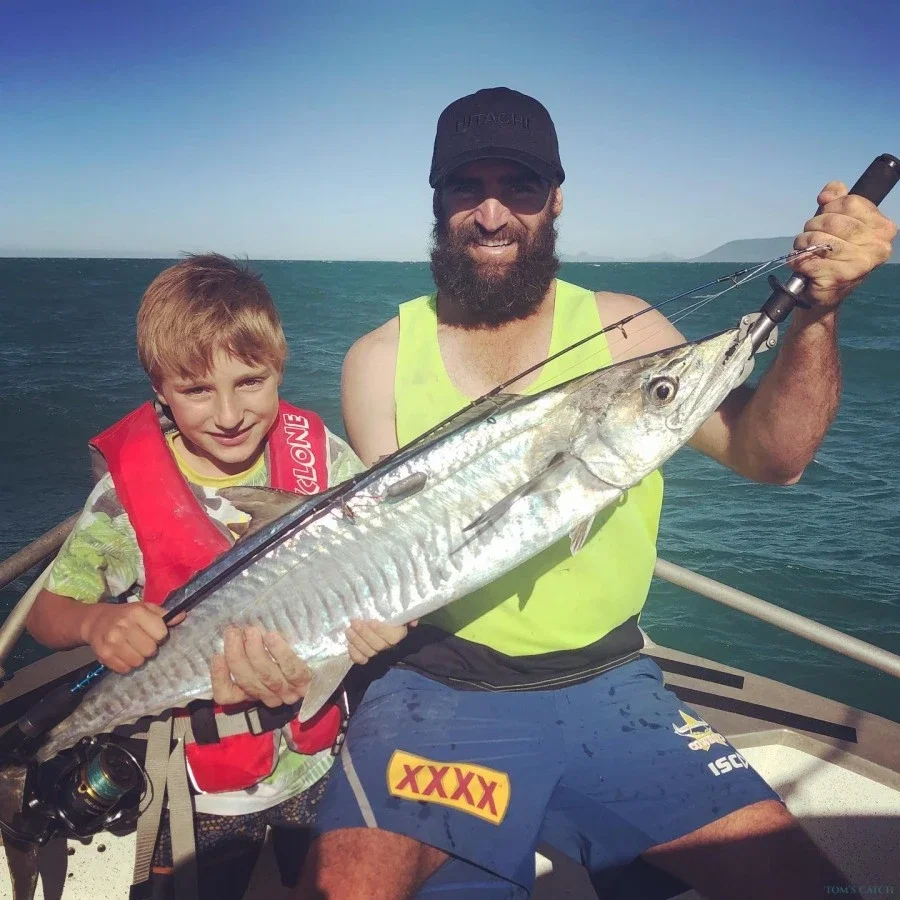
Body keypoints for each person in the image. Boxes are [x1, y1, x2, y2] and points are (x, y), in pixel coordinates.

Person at [298, 88, 898, 900]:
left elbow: (774, 457)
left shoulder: (630, 330)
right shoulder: (377, 360)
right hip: (432, 693)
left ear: (555, 200)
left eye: (520, 187)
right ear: (437, 202)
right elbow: (383, 559)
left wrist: (818, 314)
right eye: (467, 188)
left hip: (611, 686)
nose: (492, 214)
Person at [25, 253, 408, 898]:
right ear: (161, 391)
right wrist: (97, 623)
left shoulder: (324, 458)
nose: (229, 414)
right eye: (197, 390)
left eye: (251, 381)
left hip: (317, 766)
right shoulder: (121, 504)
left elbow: (386, 568)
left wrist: (387, 626)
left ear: (280, 367)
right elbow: (45, 612)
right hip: (197, 791)